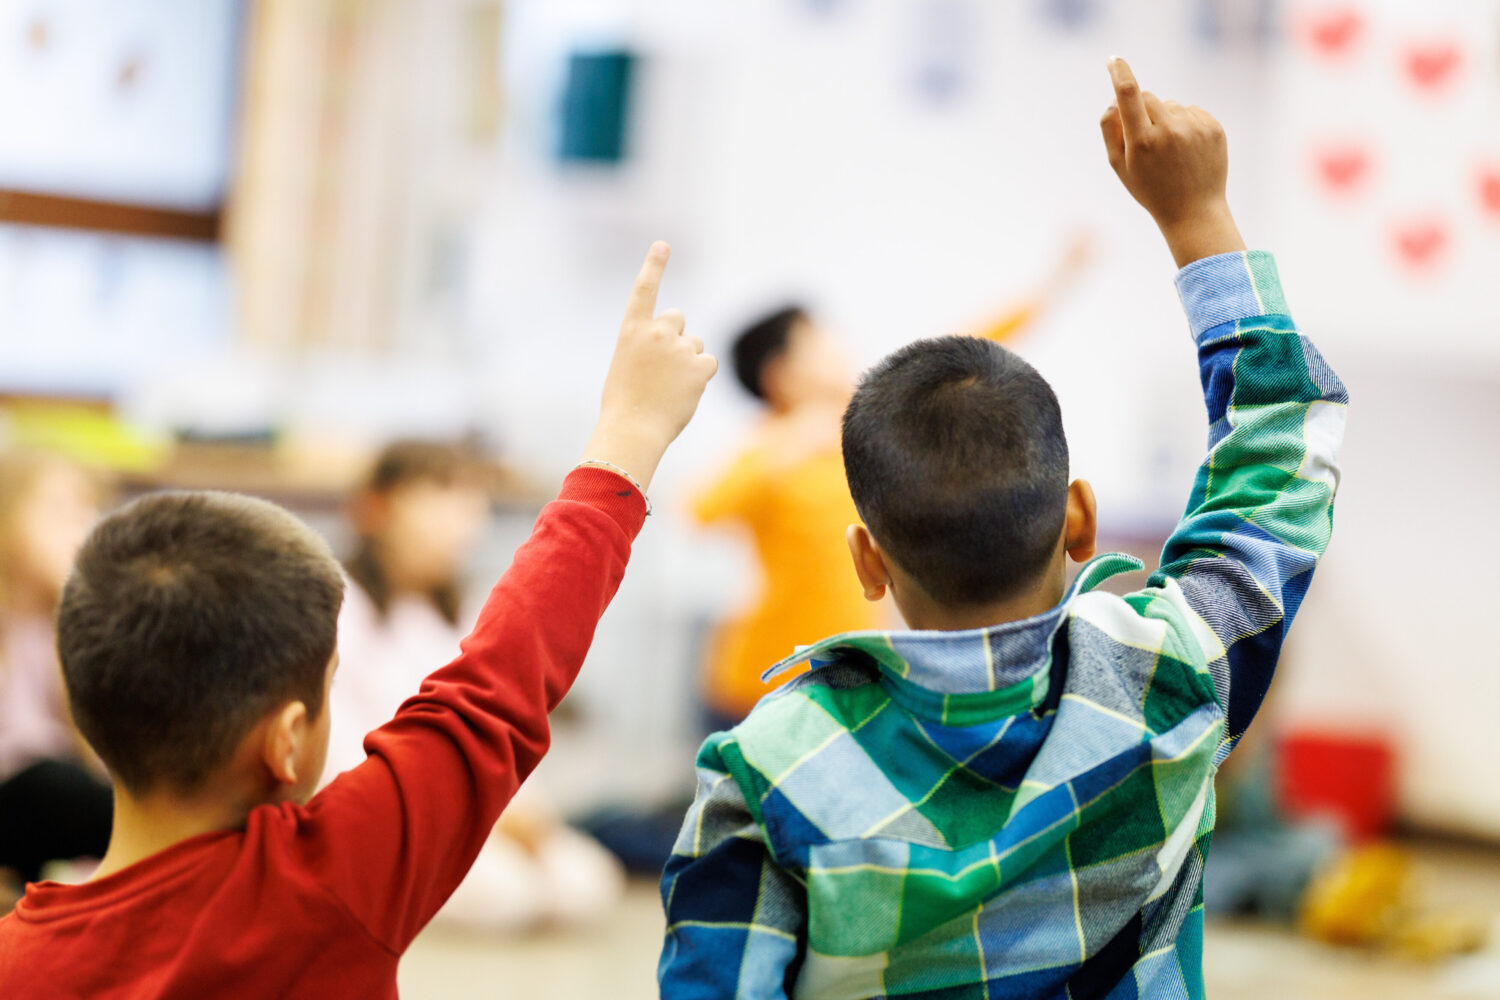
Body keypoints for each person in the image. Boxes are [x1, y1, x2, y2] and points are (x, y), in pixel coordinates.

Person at [658, 58, 1347, 999]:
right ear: (1079, 522)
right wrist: (1198, 224)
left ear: (868, 559)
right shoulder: (1174, 678)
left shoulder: (762, 773)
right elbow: (1279, 462)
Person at [0, 242, 717, 998]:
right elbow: (498, 686)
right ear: (286, 740)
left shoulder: (17, 961)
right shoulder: (336, 875)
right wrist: (628, 434)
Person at [696, 238, 1094, 726]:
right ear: (782, 374)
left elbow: (974, 341)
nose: (838, 346)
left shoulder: (867, 422)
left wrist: (1054, 282)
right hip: (758, 678)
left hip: (843, 671)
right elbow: (701, 511)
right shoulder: (769, 446)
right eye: (817, 340)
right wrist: (790, 443)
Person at [328, 439, 625, 933]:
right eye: (439, 497)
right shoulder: (341, 606)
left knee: (585, 882)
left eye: (469, 503)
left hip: (476, 809)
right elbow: (341, 751)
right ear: (377, 508)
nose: (459, 522)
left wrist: (526, 817)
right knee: (505, 897)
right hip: (392, 814)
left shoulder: (463, 611)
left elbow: (503, 723)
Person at [0, 451, 110, 901]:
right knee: (54, 785)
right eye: (58, 507)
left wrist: (73, 608)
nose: (76, 526)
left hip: (57, 802)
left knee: (71, 785)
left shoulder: (67, 623)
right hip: (20, 792)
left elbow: (96, 748)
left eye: (86, 510)